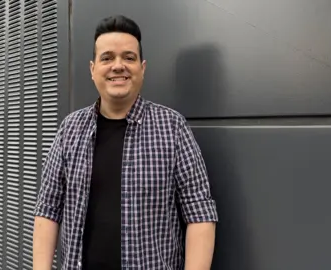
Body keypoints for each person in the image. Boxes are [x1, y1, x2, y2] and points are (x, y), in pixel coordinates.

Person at [33, 15, 218, 270]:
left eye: (128, 58)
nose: (118, 66)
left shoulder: (173, 127)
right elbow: (48, 209)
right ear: (92, 69)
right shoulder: (70, 129)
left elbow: (199, 213)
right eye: (107, 58)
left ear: (142, 68)